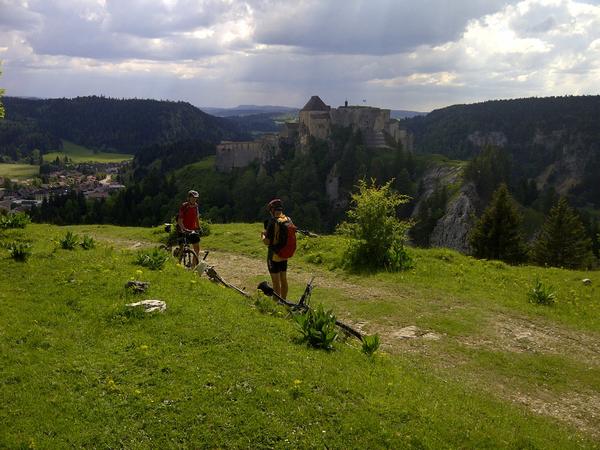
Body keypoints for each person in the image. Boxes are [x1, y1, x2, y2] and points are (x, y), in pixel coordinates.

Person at [261, 198, 292, 299]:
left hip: (274, 256)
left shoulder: (272, 222)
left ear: (272, 210)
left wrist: (263, 235)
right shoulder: (288, 219)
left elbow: (267, 242)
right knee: (284, 279)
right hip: (284, 255)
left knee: (275, 282)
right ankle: (284, 301)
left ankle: (276, 304)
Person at [177, 189, 201, 264]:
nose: (194, 199)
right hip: (182, 228)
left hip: (192, 229)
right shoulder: (184, 206)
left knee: (197, 248)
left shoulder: (196, 206)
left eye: (196, 198)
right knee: (182, 248)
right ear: (189, 198)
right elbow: (180, 220)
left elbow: (196, 217)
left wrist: (199, 227)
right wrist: (183, 229)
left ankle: (193, 267)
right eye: (193, 197)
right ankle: (178, 264)